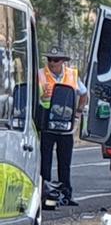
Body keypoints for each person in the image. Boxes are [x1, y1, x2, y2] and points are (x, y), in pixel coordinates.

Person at [38, 47, 88, 206]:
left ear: (63, 61)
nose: (52, 63)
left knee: (64, 162)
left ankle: (66, 194)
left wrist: (78, 112)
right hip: (47, 125)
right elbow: (33, 97)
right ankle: (45, 194)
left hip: (66, 126)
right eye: (50, 59)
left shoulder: (72, 75)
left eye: (56, 60)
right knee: (45, 162)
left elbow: (84, 93)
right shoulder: (40, 74)